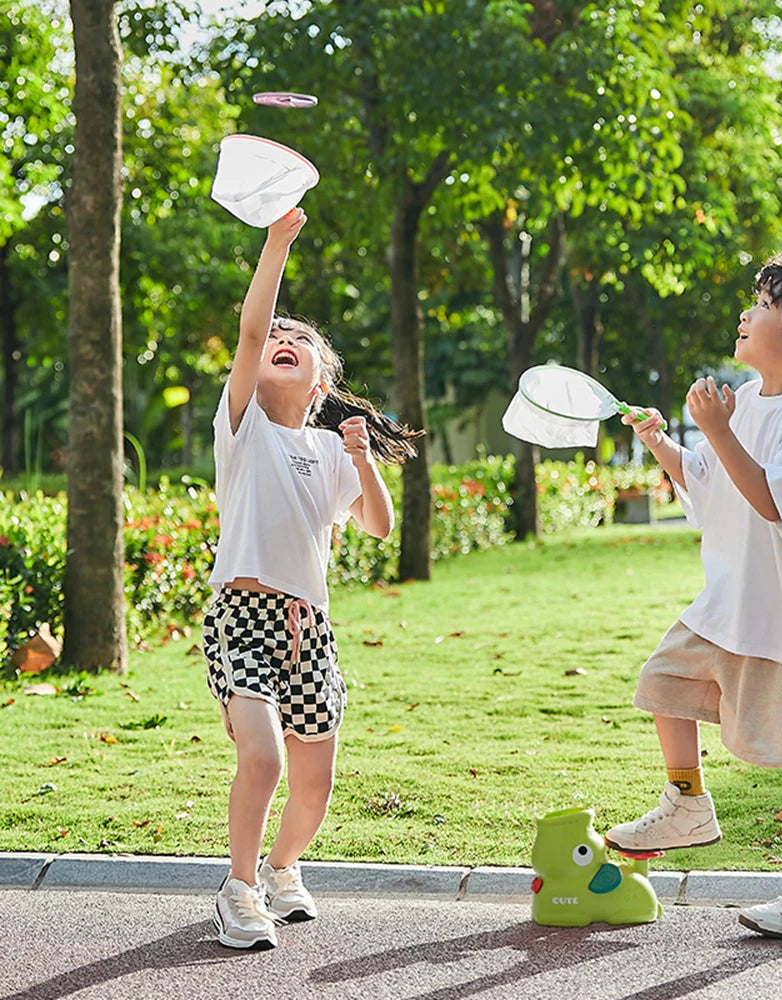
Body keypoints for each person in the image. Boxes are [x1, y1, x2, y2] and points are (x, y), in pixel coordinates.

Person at [605, 249, 782, 938]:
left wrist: (718, 430)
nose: (744, 312)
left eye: (761, 304)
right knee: (662, 685)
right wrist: (663, 442)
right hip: (730, 608)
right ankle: (687, 803)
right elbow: (710, 484)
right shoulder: (750, 399)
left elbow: (771, 500)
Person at [204, 207, 422, 950]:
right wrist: (277, 243)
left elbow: (378, 526)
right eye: (277, 341)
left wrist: (362, 459)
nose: (283, 343)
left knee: (315, 782)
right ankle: (237, 890)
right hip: (242, 620)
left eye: (301, 342)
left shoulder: (330, 452)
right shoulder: (243, 427)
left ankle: (281, 867)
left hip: (309, 632)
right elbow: (249, 330)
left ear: (322, 380)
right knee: (261, 756)